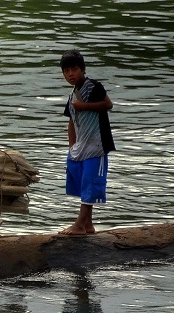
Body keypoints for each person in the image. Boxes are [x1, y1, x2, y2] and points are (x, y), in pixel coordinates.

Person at [58, 49, 115, 235]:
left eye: (74, 69)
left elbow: (108, 104)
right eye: (66, 71)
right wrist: (72, 146)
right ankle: (88, 224)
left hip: (96, 145)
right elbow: (71, 121)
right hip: (80, 146)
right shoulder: (72, 95)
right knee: (81, 182)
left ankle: (80, 224)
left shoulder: (93, 87)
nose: (70, 74)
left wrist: (85, 106)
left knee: (91, 182)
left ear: (83, 69)